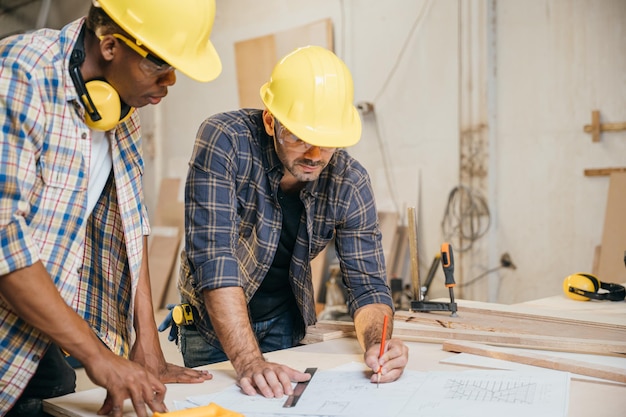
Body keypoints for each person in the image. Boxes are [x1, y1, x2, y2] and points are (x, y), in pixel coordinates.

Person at [0, 1, 222, 416]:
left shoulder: (120, 108)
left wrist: (147, 345)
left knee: (58, 396)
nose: (169, 84)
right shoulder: (20, 75)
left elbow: (131, 221)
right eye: (160, 67)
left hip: (41, 324)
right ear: (110, 46)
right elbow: (4, 243)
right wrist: (99, 357)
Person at [172, 45, 409, 399]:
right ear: (270, 121)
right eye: (299, 137)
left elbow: (368, 287)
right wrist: (250, 361)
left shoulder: (350, 181)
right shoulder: (225, 141)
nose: (315, 155)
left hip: (285, 322)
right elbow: (214, 261)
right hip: (213, 328)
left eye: (326, 143)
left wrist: (379, 343)